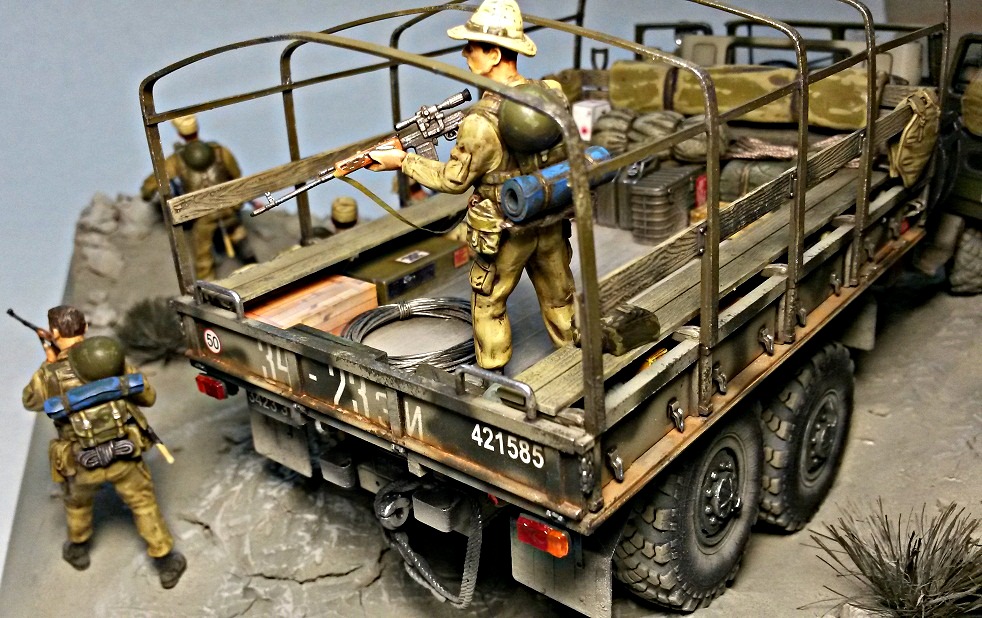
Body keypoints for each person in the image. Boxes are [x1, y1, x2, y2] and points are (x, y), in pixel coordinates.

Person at [368, 0, 577, 370]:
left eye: (472, 47)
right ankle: (579, 365)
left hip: (505, 228)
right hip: (549, 215)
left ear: (494, 54)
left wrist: (402, 161)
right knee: (560, 298)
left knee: (489, 304)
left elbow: (453, 179)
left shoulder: (479, 123)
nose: (465, 54)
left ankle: (494, 380)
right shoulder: (551, 93)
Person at [21, 305, 187, 589]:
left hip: (80, 460)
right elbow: (147, 396)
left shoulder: (49, 374)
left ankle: (78, 547)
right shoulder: (108, 359)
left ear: (55, 332)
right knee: (143, 503)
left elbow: (30, 401)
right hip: (124, 452)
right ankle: (165, 560)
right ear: (85, 329)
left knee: (77, 504)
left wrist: (50, 363)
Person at [140, 114, 254, 280]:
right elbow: (236, 175)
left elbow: (151, 184)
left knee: (203, 258)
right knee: (237, 231)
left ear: (180, 134)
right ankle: (250, 258)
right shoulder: (220, 151)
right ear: (197, 129)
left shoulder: (176, 161)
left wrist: (146, 193)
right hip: (229, 209)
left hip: (203, 217)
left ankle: (210, 286)